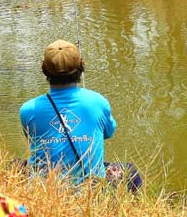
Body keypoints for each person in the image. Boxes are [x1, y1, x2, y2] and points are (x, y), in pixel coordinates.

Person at [19, 39, 116, 182]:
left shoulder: (28, 110)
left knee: (17, 165)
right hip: (90, 191)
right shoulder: (99, 102)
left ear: (44, 69)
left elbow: (33, 140)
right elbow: (108, 133)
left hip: (45, 192)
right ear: (81, 67)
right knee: (129, 170)